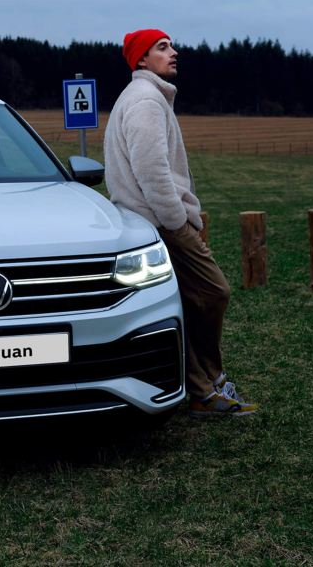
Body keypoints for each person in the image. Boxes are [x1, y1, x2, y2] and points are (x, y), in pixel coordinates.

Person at [103, 28, 258, 417]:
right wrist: (178, 221)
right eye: (162, 48)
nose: (174, 52)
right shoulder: (145, 101)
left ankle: (204, 388)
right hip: (160, 223)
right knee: (214, 292)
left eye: (171, 45)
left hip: (152, 221)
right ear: (141, 60)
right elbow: (152, 171)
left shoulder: (146, 98)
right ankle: (208, 383)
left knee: (189, 300)